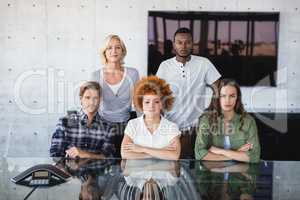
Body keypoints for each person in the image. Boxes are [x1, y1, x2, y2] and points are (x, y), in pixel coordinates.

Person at [156, 27, 221, 159]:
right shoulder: (165, 66)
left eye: (187, 42)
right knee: (171, 169)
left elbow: (219, 87)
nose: (183, 46)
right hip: (171, 126)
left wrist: (211, 108)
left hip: (196, 128)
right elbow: (157, 94)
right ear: (174, 44)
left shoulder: (204, 63)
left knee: (194, 168)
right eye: (179, 42)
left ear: (192, 44)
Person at [90, 34, 140, 157]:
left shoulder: (133, 73)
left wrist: (143, 127)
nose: (114, 51)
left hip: (126, 126)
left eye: (118, 47)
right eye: (109, 48)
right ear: (104, 52)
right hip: (103, 127)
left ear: (123, 51)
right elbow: (91, 105)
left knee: (125, 163)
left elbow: (138, 103)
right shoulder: (96, 75)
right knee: (105, 165)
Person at [194, 79, 261, 163]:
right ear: (217, 97)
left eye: (232, 96)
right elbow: (199, 153)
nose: (227, 100)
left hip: (240, 173)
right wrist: (236, 154)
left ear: (237, 98)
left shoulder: (248, 121)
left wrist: (220, 151)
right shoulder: (206, 120)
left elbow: (254, 156)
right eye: (223, 96)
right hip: (213, 173)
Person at [121, 76, 181, 160]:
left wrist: (142, 149)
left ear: (162, 104)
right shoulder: (133, 124)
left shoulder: (172, 127)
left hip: (163, 172)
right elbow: (125, 154)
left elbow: (174, 156)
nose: (151, 106)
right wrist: (160, 153)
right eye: (147, 102)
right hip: (137, 172)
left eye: (156, 102)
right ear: (141, 104)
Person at [50, 81, 115, 158]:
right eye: (87, 97)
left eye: (96, 98)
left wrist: (86, 155)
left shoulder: (108, 127)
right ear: (81, 99)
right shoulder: (65, 121)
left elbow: (108, 157)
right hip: (69, 168)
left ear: (100, 100)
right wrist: (64, 166)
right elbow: (55, 154)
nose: (91, 102)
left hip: (96, 169)